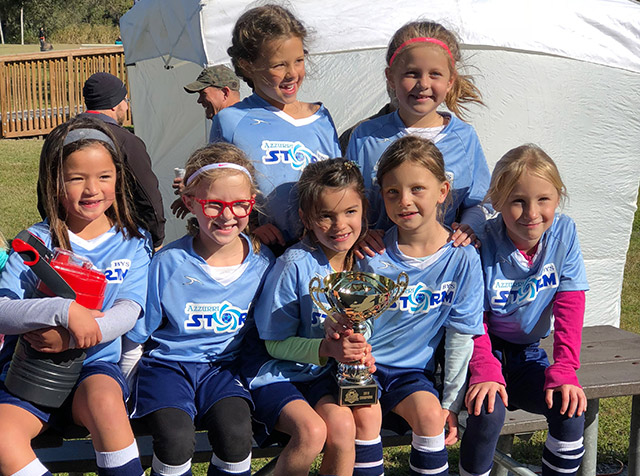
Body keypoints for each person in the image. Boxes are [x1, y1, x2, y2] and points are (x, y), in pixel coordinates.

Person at [0, 116, 152, 476]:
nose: (92, 189)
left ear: (119, 179)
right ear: (54, 183)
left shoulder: (133, 242)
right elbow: (3, 309)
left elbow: (129, 308)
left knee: (107, 405)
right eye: (76, 178)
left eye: (104, 177)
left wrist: (78, 335)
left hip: (95, 366)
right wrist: (63, 310)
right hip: (30, 369)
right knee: (3, 439)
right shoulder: (34, 242)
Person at [123, 144, 273, 476]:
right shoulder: (168, 263)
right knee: (175, 440)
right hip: (168, 368)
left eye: (239, 204)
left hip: (224, 369)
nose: (227, 215)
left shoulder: (263, 264)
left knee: (237, 436)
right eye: (213, 204)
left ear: (252, 203)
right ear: (190, 202)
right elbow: (137, 334)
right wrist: (126, 387)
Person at [338, 136, 484, 476]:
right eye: (393, 192)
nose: (404, 201)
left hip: (411, 374)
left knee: (431, 415)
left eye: (417, 188)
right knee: (365, 416)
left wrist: (450, 402)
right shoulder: (369, 254)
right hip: (363, 368)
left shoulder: (462, 258)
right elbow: (354, 321)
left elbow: (461, 336)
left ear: (443, 191)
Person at [459, 144, 588, 476]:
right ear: (497, 202)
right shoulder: (481, 242)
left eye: (543, 199)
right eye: (518, 201)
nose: (532, 213)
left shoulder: (564, 233)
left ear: (558, 198)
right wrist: (485, 368)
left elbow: (570, 303)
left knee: (569, 409)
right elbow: (474, 317)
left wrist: (565, 367)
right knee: (488, 412)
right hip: (482, 352)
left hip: (528, 354)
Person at [247, 159, 382, 476]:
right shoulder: (294, 265)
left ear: (364, 210)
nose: (340, 225)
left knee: (343, 427)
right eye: (326, 215)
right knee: (312, 432)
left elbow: (363, 325)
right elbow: (274, 345)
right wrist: (326, 348)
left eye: (350, 212)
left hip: (320, 376)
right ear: (306, 218)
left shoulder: (362, 264)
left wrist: (359, 351)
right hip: (275, 374)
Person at [210, 4, 341, 252]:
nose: (292, 73)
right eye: (279, 65)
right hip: (265, 253)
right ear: (247, 65)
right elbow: (219, 191)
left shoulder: (321, 118)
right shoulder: (231, 121)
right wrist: (250, 227)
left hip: (321, 253)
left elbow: (340, 188)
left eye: (299, 61)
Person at [346, 20, 490, 247]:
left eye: (435, 74)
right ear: (390, 77)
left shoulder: (465, 138)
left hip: (444, 259)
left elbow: (478, 201)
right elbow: (347, 200)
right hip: (378, 259)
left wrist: (469, 227)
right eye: (412, 73)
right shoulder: (366, 137)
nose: (423, 84)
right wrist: (362, 232)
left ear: (450, 80)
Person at [36, 72, 166, 249]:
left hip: (65, 238)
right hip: (117, 241)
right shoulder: (126, 140)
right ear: (115, 104)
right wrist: (156, 238)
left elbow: (45, 189)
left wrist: (56, 229)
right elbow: (147, 196)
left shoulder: (58, 136)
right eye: (125, 101)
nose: (126, 107)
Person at [171, 66, 243, 219]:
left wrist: (194, 189)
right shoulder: (245, 119)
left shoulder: (226, 120)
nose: (199, 100)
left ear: (225, 92)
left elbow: (227, 178)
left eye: (203, 93)